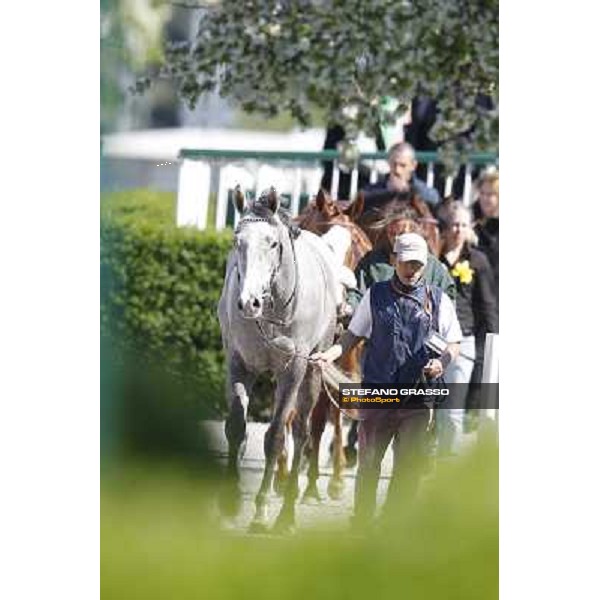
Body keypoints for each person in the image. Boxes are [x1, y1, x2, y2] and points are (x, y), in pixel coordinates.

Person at [311, 233, 461, 528]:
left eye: (418, 264)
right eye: (406, 262)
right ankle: (362, 521)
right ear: (394, 260)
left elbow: (453, 342)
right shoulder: (375, 294)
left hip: (417, 396)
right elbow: (353, 334)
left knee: (407, 468)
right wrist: (330, 354)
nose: (412, 269)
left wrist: (441, 364)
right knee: (368, 463)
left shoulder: (438, 300)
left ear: (426, 263)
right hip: (378, 391)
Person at [435, 202, 498, 454]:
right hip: (432, 340)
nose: (458, 229)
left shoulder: (477, 260)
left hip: (463, 341)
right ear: (446, 227)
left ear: (469, 227)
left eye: (462, 224)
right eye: (453, 224)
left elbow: (487, 304)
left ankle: (448, 461)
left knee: (453, 409)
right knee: (431, 407)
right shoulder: (433, 258)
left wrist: (493, 341)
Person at [362, 142, 441, 210]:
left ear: (413, 165)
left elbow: (434, 200)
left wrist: (408, 191)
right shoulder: (374, 189)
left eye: (403, 165)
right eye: (394, 164)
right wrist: (387, 193)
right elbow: (363, 198)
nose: (397, 170)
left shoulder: (423, 190)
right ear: (388, 162)